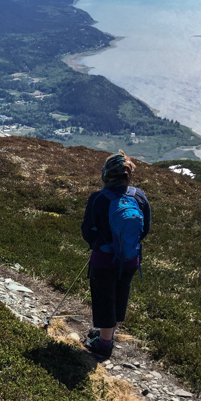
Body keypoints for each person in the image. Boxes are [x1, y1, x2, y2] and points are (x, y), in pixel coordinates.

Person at [81, 151, 150, 359]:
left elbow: (87, 230)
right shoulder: (139, 196)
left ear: (106, 174)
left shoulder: (98, 198)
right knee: (120, 296)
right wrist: (126, 245)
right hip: (130, 259)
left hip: (103, 260)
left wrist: (98, 244)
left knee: (104, 299)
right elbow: (145, 228)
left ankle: (104, 344)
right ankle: (107, 334)